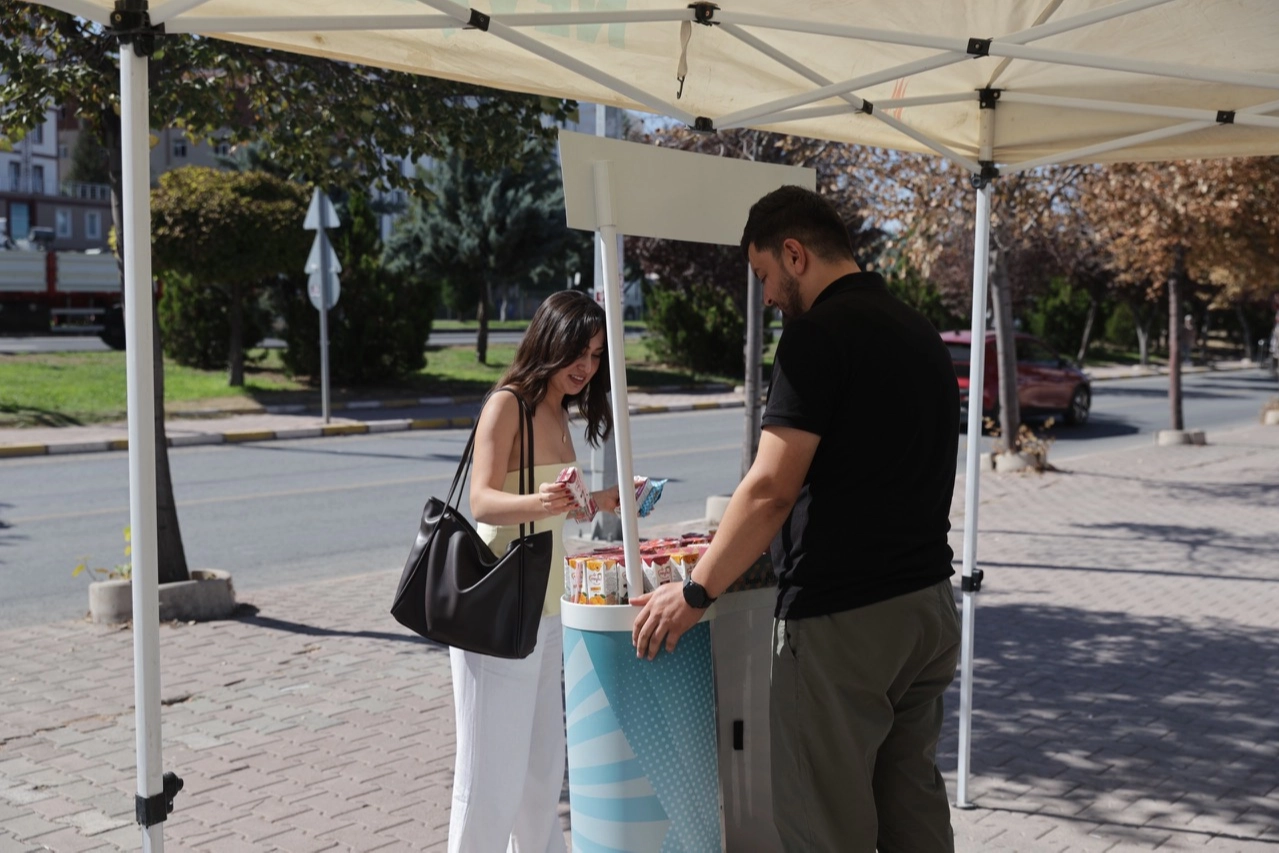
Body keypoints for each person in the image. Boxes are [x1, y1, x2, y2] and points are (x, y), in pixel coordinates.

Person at [631, 185, 962, 852]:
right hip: (925, 605)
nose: (767, 297)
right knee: (912, 812)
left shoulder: (816, 337)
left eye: (763, 276)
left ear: (793, 252)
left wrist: (695, 590)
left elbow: (769, 490)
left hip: (845, 622)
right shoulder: (915, 327)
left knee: (823, 825)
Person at [449, 290, 620, 853]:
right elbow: (482, 502)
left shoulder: (559, 408)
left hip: (548, 611)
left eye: (596, 355)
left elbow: (556, 502)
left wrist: (609, 500)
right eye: (579, 351)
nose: (586, 367)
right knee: (489, 781)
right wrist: (544, 503)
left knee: (542, 774)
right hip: (499, 608)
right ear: (549, 340)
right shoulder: (508, 403)